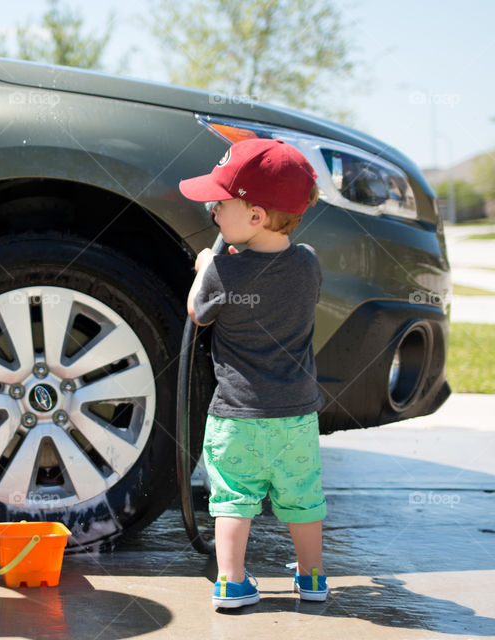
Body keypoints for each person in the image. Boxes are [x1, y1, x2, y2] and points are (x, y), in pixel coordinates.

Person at [179, 138, 328, 609]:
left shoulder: (224, 271)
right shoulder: (308, 263)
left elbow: (197, 314)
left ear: (256, 215)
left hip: (237, 417)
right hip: (297, 419)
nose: (213, 212)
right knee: (303, 500)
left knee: (233, 501)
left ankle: (232, 582)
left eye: (221, 204)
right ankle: (313, 579)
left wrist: (205, 267)